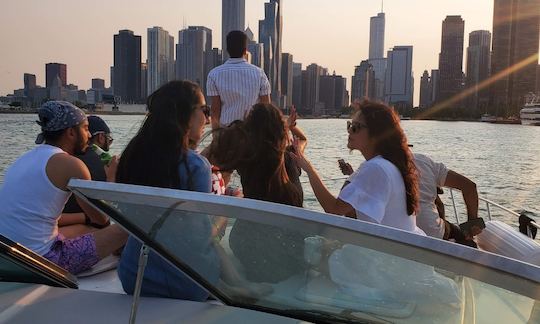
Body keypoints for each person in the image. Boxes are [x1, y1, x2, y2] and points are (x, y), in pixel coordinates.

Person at [116, 81, 221, 301]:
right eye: (205, 110)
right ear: (185, 114)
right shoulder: (195, 166)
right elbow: (200, 237)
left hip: (133, 276)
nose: (208, 119)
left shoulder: (131, 158)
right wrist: (223, 213)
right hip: (188, 284)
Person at [0, 101, 127, 274]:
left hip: (9, 256)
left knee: (86, 229)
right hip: (42, 261)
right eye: (85, 128)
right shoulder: (72, 165)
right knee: (127, 231)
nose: (89, 135)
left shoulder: (23, 160)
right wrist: (112, 178)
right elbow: (102, 219)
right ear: (71, 133)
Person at [208, 103, 307, 282]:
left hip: (246, 243)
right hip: (289, 249)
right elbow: (303, 140)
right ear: (280, 132)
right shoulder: (290, 159)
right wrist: (290, 127)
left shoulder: (245, 159)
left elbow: (208, 159)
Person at [292, 100, 424, 234]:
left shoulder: (376, 167)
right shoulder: (386, 164)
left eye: (356, 127)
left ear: (376, 135)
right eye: (349, 125)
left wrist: (308, 168)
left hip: (385, 252)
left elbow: (333, 209)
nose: (349, 131)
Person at [206, 30, 271, 130]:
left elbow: (215, 110)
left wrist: (216, 137)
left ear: (227, 49)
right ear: (245, 50)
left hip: (226, 134)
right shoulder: (259, 74)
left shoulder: (214, 74)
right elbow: (266, 108)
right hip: (252, 134)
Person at [413, 153, 482, 243]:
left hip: (397, 237)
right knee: (468, 243)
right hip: (433, 233)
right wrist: (471, 224)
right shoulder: (422, 161)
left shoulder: (389, 169)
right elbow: (469, 186)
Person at [63, 115, 118, 218]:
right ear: (101, 137)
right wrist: (112, 177)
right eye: (109, 139)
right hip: (91, 221)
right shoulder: (102, 163)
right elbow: (104, 216)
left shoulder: (64, 158)